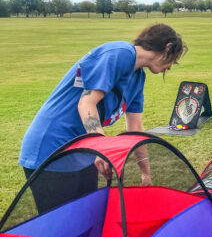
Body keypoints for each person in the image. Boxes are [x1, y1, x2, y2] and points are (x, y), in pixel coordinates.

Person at [19, 23, 187, 212]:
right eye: (174, 60)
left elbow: (135, 129)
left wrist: (145, 173)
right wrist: (101, 148)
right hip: (51, 148)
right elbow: (86, 103)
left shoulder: (138, 77)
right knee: (61, 227)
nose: (171, 67)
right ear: (167, 47)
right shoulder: (120, 53)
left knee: (87, 219)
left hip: (83, 152)